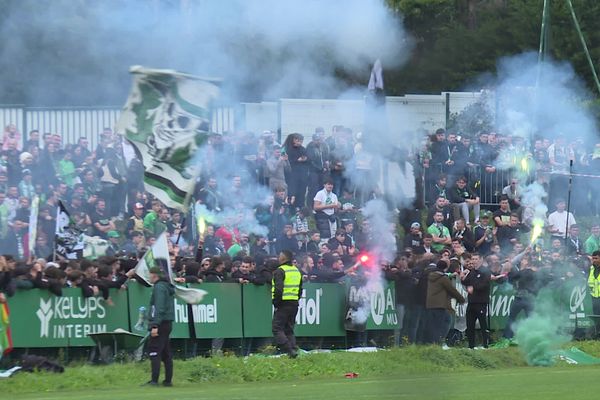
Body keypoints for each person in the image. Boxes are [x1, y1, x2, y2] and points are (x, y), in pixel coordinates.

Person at [145, 261, 175, 387]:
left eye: (149, 274)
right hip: (166, 323)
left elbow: (159, 307)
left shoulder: (159, 288)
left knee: (155, 351)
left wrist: (155, 325)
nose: (148, 277)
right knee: (166, 353)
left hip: (160, 324)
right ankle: (167, 380)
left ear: (154, 275)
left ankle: (154, 380)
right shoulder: (166, 286)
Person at [271, 250, 302, 358]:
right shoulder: (296, 271)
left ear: (283, 258)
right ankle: (293, 349)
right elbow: (300, 289)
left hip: (283, 303)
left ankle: (289, 350)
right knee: (289, 328)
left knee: (277, 328)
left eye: (279, 256)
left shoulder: (280, 271)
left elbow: (279, 289)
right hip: (294, 302)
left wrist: (276, 302)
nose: (278, 258)